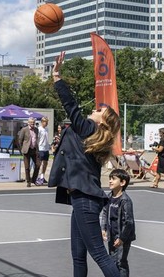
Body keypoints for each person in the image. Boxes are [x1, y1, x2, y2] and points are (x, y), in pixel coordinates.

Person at [49, 52, 121, 277]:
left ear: (103, 121)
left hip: (85, 201)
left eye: (100, 110)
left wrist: (57, 77)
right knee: (78, 256)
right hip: (80, 198)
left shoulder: (90, 129)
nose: (96, 108)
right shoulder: (92, 135)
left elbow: (71, 106)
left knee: (99, 255)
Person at [100, 169, 136, 277]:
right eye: (110, 178)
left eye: (113, 179)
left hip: (122, 237)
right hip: (112, 235)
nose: (110, 181)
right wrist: (103, 229)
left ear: (122, 183)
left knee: (121, 262)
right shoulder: (109, 197)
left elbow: (129, 222)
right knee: (112, 260)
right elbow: (105, 213)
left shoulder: (125, 200)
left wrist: (121, 238)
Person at [17, 117, 41, 187]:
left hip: (34, 149)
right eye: (31, 122)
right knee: (27, 167)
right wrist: (22, 149)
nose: (32, 124)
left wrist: (37, 149)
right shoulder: (24, 130)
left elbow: (36, 139)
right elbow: (20, 140)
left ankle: (34, 179)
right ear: (28, 123)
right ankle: (28, 181)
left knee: (38, 165)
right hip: (26, 150)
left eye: (33, 123)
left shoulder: (36, 130)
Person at [36, 117, 51, 185]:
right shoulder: (39, 129)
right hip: (41, 148)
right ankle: (36, 177)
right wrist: (37, 148)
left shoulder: (47, 129)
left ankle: (42, 176)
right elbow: (37, 139)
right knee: (39, 163)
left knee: (45, 163)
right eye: (45, 122)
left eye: (47, 122)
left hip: (46, 148)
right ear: (42, 122)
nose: (46, 123)